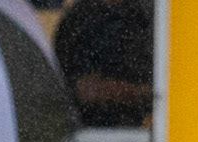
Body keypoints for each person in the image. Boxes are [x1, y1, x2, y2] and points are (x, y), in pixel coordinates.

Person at [53, 0, 155, 128]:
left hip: (147, 132)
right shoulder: (78, 20)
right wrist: (142, 92)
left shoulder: (148, 14)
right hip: (90, 132)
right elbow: (83, 88)